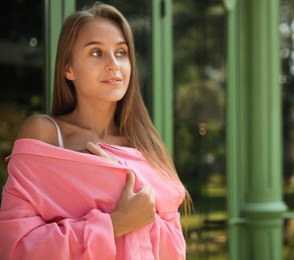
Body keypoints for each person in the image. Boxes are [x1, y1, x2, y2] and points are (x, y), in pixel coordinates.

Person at [0, 2, 191, 259]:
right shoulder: (45, 133)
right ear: (68, 68)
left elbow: (175, 250)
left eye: (121, 52)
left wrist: (130, 192)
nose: (114, 64)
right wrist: (115, 223)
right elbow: (16, 247)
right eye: (96, 53)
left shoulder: (147, 146)